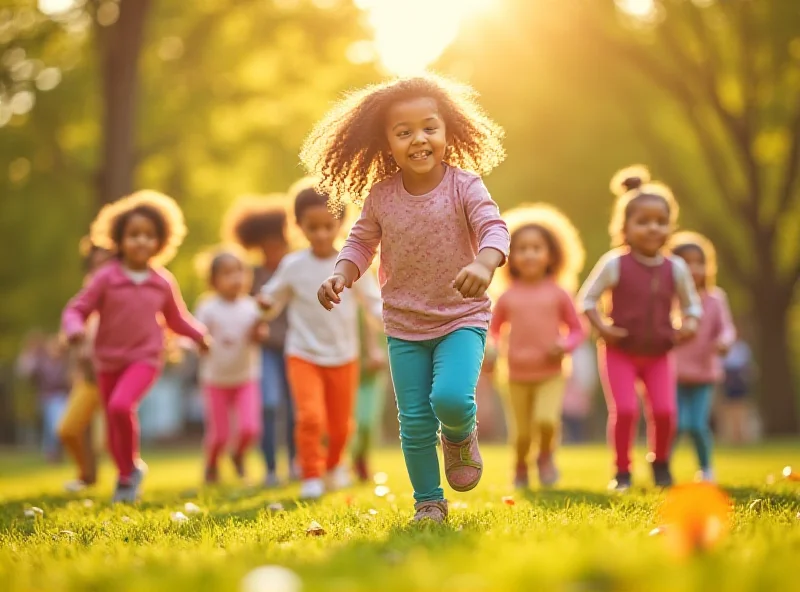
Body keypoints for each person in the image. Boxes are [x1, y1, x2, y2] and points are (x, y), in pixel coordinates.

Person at [308, 74, 510, 522]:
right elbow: (360, 243)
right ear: (387, 143)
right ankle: (429, 502)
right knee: (415, 421)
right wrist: (341, 274)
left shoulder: (465, 185)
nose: (419, 139)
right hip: (403, 325)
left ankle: (459, 436)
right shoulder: (381, 196)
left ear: (447, 131)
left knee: (452, 400)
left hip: (462, 318)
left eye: (429, 127)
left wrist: (485, 263)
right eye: (404, 132)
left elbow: (494, 227)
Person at [62, 191, 209, 503]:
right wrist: (74, 331)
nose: (141, 241)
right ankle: (127, 472)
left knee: (119, 406)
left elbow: (177, 320)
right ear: (119, 239)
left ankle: (128, 473)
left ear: (161, 241)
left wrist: (200, 336)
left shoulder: (162, 281)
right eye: (133, 235)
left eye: (149, 236)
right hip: (107, 360)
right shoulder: (106, 277)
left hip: (145, 357)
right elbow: (77, 310)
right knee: (115, 422)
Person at [578, 165, 701, 491]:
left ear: (670, 227)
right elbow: (587, 300)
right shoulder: (615, 263)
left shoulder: (675, 268)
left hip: (659, 352)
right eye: (642, 222)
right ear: (625, 227)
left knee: (664, 411)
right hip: (620, 351)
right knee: (627, 411)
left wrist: (688, 325)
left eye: (660, 222)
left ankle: (660, 464)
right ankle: (622, 472)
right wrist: (604, 329)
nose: (652, 228)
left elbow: (692, 306)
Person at [259, 183, 383, 500]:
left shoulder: (353, 264)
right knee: (310, 416)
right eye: (312, 228)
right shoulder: (293, 265)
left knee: (341, 426)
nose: (321, 235)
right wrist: (262, 305)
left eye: (328, 226)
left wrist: (396, 321)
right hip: (303, 353)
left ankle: (333, 465)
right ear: (298, 226)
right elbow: (272, 300)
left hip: (344, 355)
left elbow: (373, 305)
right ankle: (311, 473)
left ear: (341, 224)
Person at [486, 204, 586, 488]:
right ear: (510, 257)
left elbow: (578, 329)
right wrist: (492, 347)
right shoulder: (506, 296)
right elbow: (493, 329)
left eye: (536, 248)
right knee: (520, 434)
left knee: (546, 421)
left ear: (551, 255)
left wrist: (564, 344)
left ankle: (545, 457)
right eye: (522, 249)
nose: (529, 254)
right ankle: (519, 467)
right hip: (515, 374)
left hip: (551, 372)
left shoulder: (559, 293)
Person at [224, 195, 298, 487]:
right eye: (266, 246)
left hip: (295, 347)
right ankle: (269, 467)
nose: (273, 251)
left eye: (278, 245)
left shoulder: (294, 269)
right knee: (269, 405)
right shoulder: (251, 276)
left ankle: (293, 463)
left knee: (294, 408)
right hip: (264, 351)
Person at [194, 248, 266, 484]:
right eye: (227, 273)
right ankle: (212, 464)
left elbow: (259, 335)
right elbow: (196, 335)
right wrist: (200, 344)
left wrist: (259, 330)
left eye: (239, 272)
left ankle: (238, 455)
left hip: (246, 378)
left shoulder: (252, 307)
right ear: (214, 280)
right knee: (219, 436)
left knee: (250, 429)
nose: (235, 278)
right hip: (215, 380)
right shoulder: (208, 306)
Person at [670, 232, 736, 482]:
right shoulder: (669, 299)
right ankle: (663, 466)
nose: (693, 268)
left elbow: (726, 328)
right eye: (686, 262)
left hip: (704, 373)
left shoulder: (715, 299)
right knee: (674, 426)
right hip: (673, 373)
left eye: (699, 262)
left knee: (697, 425)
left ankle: (706, 469)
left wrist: (724, 342)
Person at [58, 238, 113, 492]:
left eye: (107, 264)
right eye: (96, 265)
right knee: (69, 429)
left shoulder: (122, 294)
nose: (101, 271)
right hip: (89, 379)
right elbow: (72, 329)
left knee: (112, 439)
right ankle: (86, 474)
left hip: (115, 376)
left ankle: (127, 477)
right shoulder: (86, 297)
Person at [352, 282, 390, 482]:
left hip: (372, 375)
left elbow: (388, 338)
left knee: (367, 422)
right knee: (352, 424)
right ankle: (345, 462)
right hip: (351, 372)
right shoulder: (347, 308)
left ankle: (361, 459)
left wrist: (381, 356)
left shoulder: (380, 307)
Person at [16, 332, 71, 463]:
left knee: (56, 426)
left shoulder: (65, 362)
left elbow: (69, 380)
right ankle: (51, 453)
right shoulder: (41, 362)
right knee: (50, 427)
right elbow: (24, 371)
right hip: (45, 398)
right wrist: (29, 352)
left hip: (61, 397)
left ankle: (54, 452)